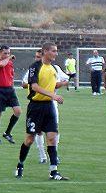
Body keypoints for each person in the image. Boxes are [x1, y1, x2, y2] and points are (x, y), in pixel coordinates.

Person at [15, 42, 68, 181]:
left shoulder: (54, 68)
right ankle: (20, 165)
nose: (56, 53)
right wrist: (53, 95)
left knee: (52, 137)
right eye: (53, 51)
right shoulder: (35, 67)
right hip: (36, 107)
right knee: (29, 139)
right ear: (45, 52)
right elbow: (34, 86)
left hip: (49, 106)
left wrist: (61, 85)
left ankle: (54, 171)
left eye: (56, 51)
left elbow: (53, 84)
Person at [0, 45, 21, 145]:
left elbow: (10, 74)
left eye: (8, 53)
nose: (7, 55)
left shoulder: (10, 63)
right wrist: (8, 58)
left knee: (18, 111)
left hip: (9, 90)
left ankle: (7, 133)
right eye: (5, 53)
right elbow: (0, 65)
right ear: (0, 53)